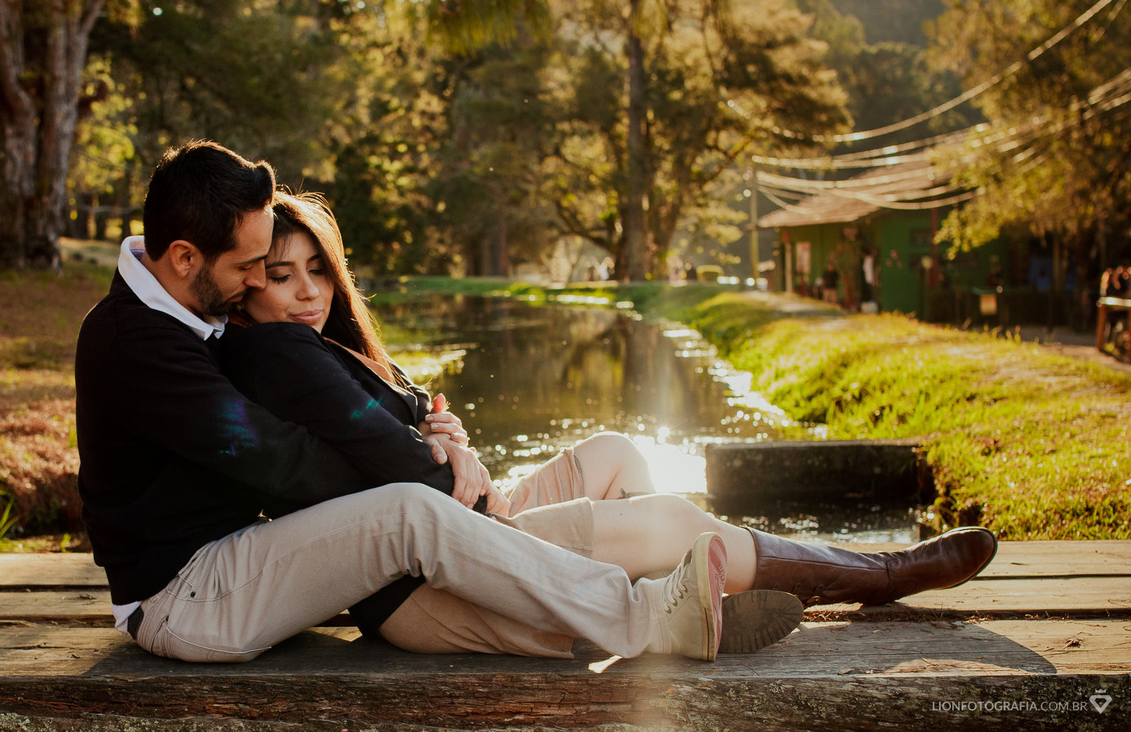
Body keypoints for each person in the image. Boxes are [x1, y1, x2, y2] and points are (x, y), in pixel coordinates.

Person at [75, 139, 795, 666]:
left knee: (418, 506)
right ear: (182, 258)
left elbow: (327, 412)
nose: (259, 282)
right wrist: (431, 480)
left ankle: (655, 590)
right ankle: (644, 618)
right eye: (249, 268)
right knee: (409, 513)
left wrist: (427, 433)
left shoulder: (189, 315)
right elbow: (279, 460)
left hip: (232, 564)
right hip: (185, 598)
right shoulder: (136, 344)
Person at [219, 190, 1000, 657]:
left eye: (317, 269)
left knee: (617, 450)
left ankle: (684, 586)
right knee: (663, 518)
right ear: (247, 287)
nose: (306, 292)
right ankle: (875, 575)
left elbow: (408, 418)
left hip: (467, 530)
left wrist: (437, 429)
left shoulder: (320, 349)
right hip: (423, 584)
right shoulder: (277, 354)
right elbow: (389, 460)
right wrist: (433, 442)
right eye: (280, 277)